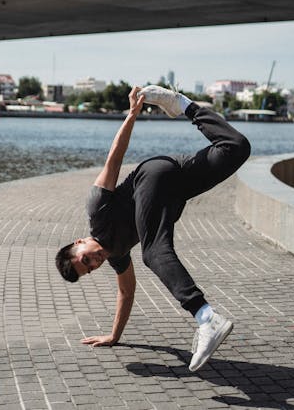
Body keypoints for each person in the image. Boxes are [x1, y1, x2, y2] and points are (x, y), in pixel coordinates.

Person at [55, 85, 251, 372]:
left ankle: (206, 318)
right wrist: (114, 336)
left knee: (154, 251)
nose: (94, 262)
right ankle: (182, 104)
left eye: (85, 258)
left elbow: (114, 158)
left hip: (152, 176)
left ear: (80, 241)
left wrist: (132, 115)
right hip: (175, 183)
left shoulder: (97, 210)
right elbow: (127, 293)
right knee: (236, 148)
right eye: (91, 268)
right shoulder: (117, 257)